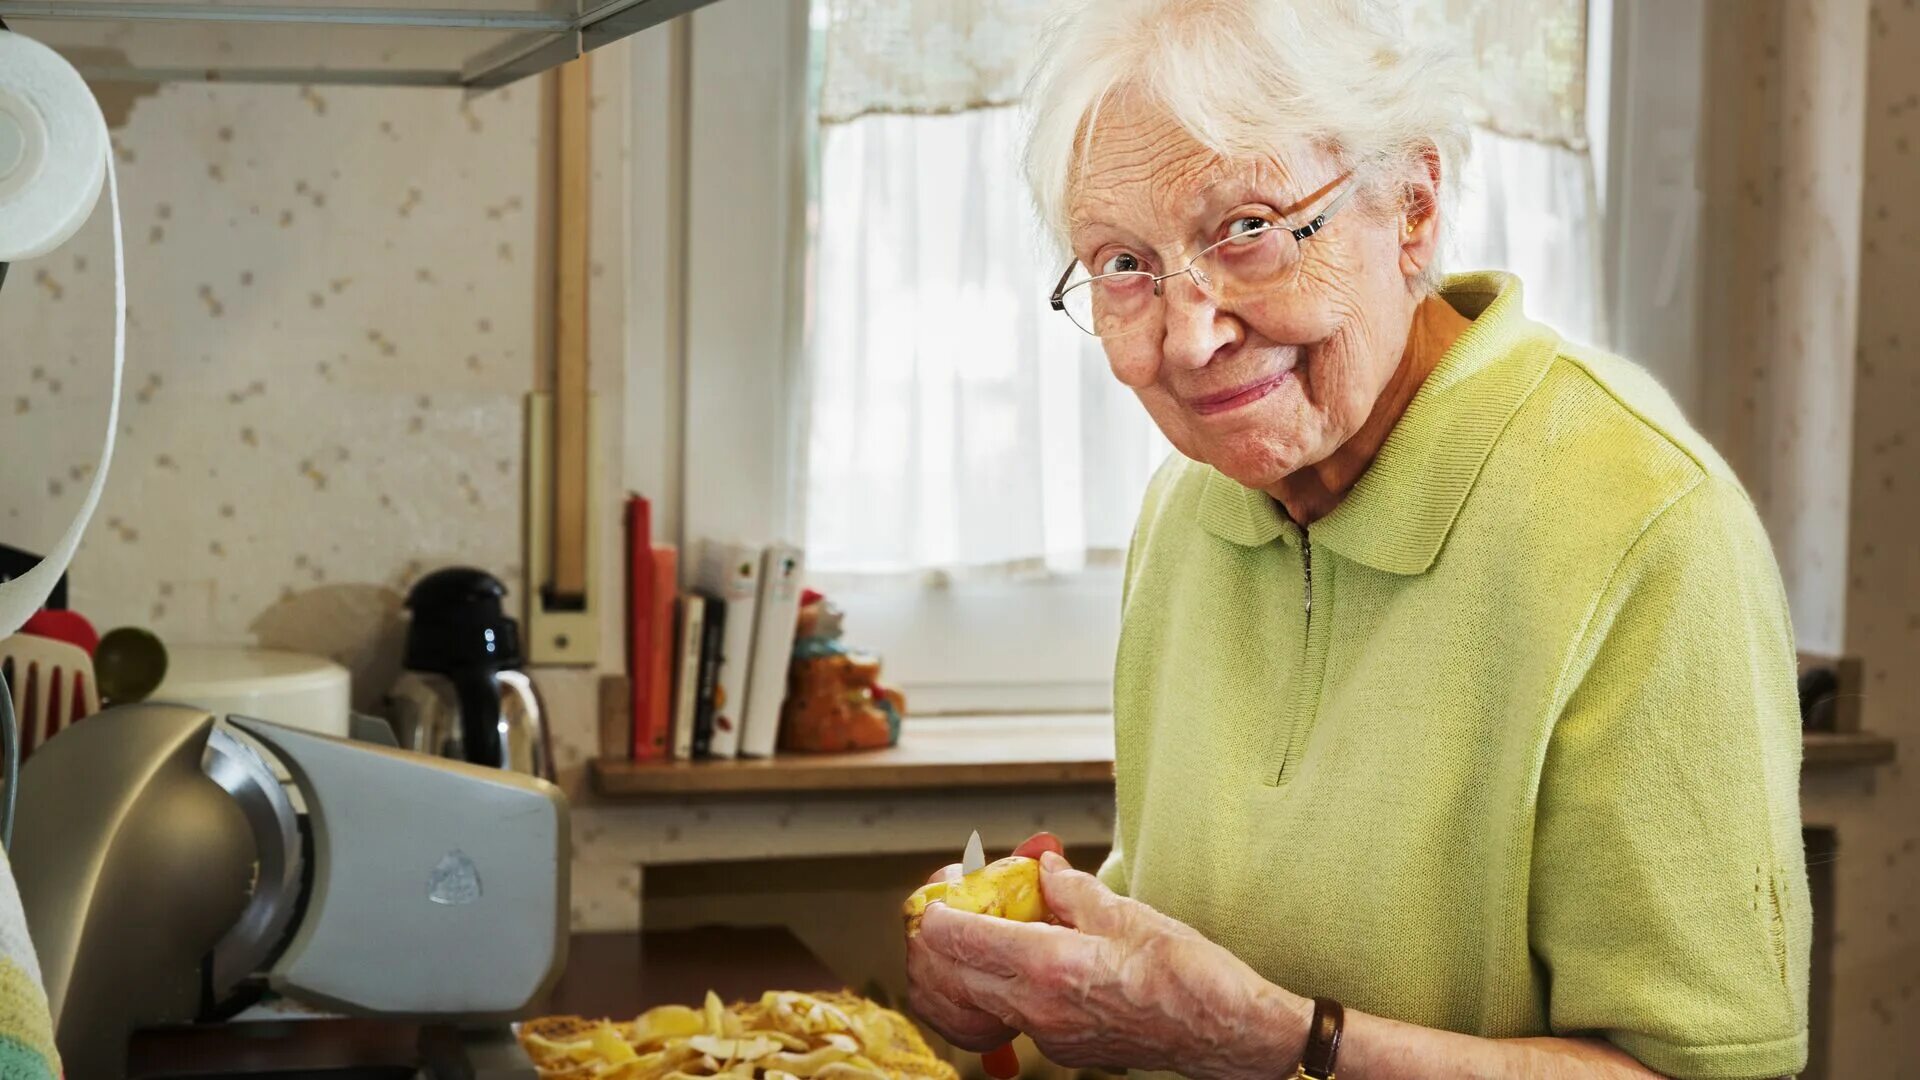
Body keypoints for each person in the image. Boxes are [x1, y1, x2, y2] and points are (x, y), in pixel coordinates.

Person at [902, 2, 1809, 1077]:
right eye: (1123, 264)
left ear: (1413, 210)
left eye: (1248, 228)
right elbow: (1184, 954)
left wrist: (1284, 1043)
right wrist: (1036, 980)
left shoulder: (1648, 521)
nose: (1191, 338)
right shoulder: (1187, 514)